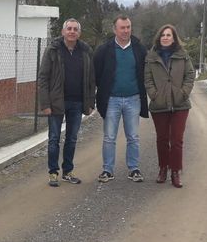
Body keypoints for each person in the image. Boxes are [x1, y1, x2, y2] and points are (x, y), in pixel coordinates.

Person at [37, 18, 95, 187]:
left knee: (72, 138)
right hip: (56, 102)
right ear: (63, 32)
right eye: (69, 28)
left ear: (79, 33)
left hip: (77, 102)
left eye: (75, 29)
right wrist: (45, 104)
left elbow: (91, 79)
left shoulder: (85, 51)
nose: (71, 31)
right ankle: (53, 173)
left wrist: (90, 102)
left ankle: (68, 171)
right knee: (54, 138)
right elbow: (43, 78)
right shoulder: (53, 50)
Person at [94, 15, 149, 183]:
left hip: (133, 99)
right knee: (109, 137)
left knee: (133, 136)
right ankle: (107, 170)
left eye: (128, 27)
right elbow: (96, 74)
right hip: (112, 100)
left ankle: (134, 169)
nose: (126, 31)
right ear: (115, 30)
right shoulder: (104, 50)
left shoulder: (140, 49)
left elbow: (146, 73)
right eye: (122, 28)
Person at [143, 24, 195, 187]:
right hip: (160, 105)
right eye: (163, 35)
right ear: (159, 37)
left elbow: (190, 75)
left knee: (177, 140)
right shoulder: (151, 57)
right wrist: (154, 95)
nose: (165, 37)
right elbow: (148, 79)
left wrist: (183, 93)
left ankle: (175, 171)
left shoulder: (183, 55)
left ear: (174, 38)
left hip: (180, 104)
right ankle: (163, 169)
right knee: (162, 139)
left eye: (169, 35)